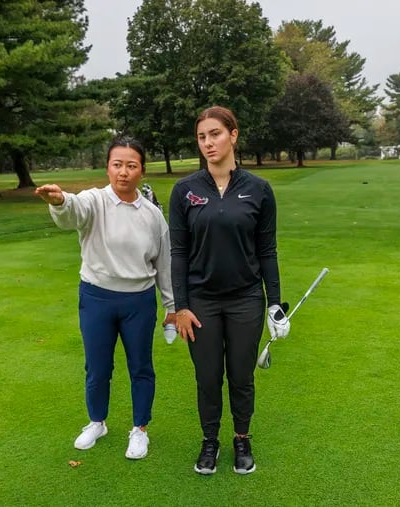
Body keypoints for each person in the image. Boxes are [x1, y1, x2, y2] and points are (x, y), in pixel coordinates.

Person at [35, 136, 176, 460]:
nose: (123, 172)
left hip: (138, 301)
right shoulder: (94, 201)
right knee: (97, 367)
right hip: (96, 297)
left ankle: (139, 429)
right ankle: (97, 422)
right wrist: (59, 201)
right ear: (107, 168)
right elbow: (73, 210)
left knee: (141, 367)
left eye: (131, 165)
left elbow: (164, 264)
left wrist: (171, 306)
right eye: (117, 164)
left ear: (141, 170)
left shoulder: (153, 215)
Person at [168, 106, 290, 475]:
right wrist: (181, 307)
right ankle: (209, 442)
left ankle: (241, 438)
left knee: (240, 376)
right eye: (202, 137)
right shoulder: (185, 191)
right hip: (201, 302)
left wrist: (274, 305)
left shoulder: (258, 190)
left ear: (233, 135)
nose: (208, 143)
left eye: (215, 134)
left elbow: (267, 251)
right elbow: (179, 253)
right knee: (207, 378)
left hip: (245, 300)